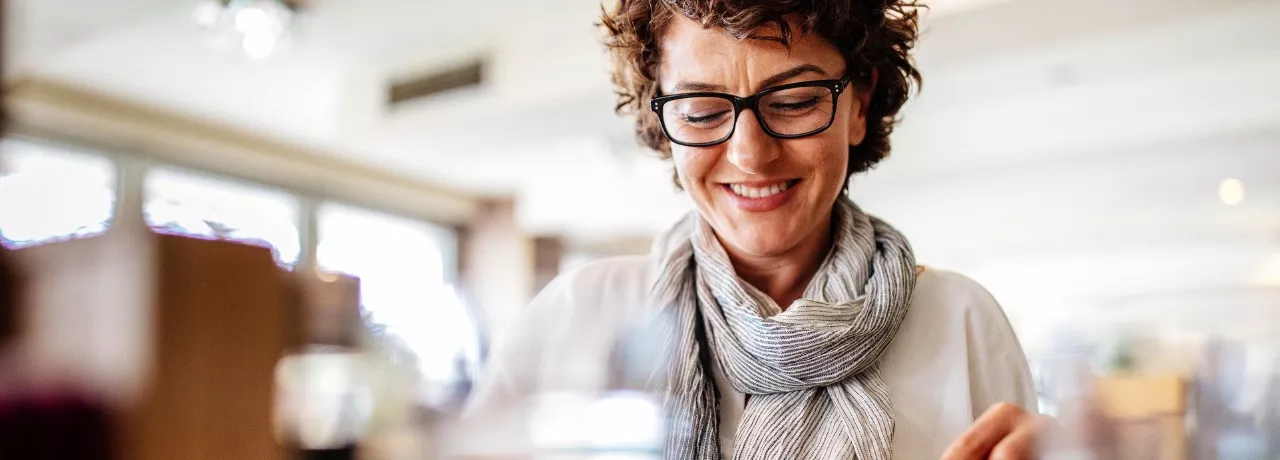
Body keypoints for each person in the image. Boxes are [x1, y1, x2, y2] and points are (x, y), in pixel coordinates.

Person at [467, 0, 1052, 458]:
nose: (750, 155)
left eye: (794, 101)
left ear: (859, 104)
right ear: (664, 121)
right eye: (702, 111)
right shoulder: (579, 315)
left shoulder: (960, 320)